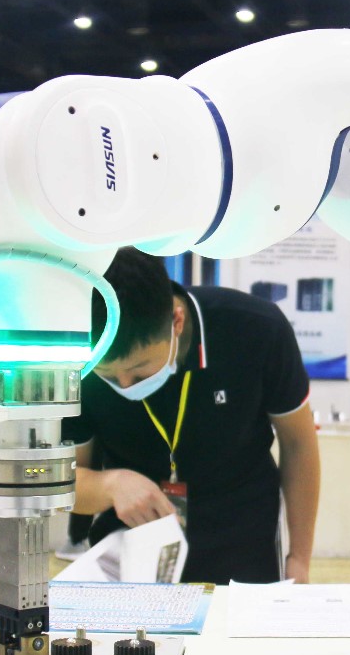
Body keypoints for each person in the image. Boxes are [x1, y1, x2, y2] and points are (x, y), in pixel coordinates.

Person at [61, 249, 320, 584]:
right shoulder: (78, 358)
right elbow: (64, 482)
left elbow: (299, 443)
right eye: (108, 375)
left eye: (139, 371)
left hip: (243, 543)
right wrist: (109, 485)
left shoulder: (255, 329)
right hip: (134, 547)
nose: (125, 385)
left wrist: (299, 558)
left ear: (177, 322)